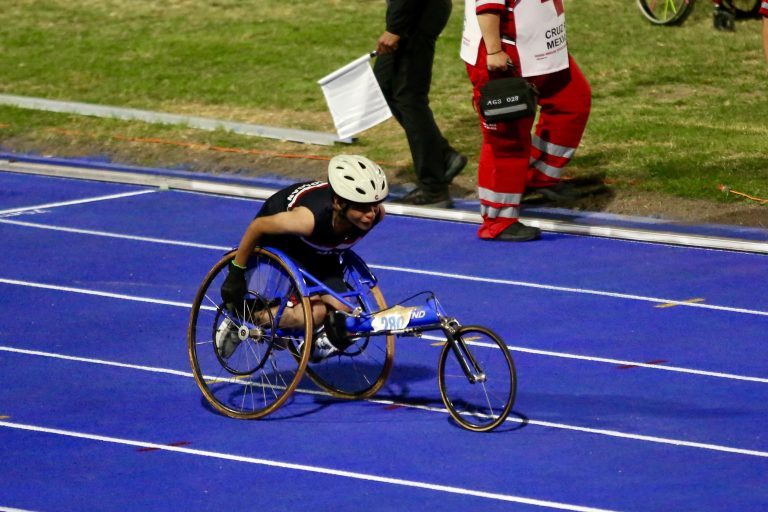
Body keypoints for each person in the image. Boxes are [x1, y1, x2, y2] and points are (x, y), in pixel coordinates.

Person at [217, 154, 389, 361]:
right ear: (338, 203)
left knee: (347, 312)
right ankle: (243, 318)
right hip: (284, 244)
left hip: (321, 253)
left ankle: (313, 342)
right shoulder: (306, 220)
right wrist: (237, 271)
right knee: (313, 314)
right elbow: (258, 226)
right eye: (361, 207)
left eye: (374, 204)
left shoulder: (376, 215)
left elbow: (336, 241)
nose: (371, 213)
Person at [460, 0, 591, 241]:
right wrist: (493, 50)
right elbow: (488, 4)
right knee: (507, 140)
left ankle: (536, 177)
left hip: (541, 50)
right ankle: (498, 220)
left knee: (572, 102)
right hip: (504, 54)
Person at [374, 0, 467, 208]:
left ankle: (433, 188)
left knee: (408, 97)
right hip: (414, 13)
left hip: (415, 16)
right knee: (386, 86)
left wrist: (395, 27)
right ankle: (443, 156)